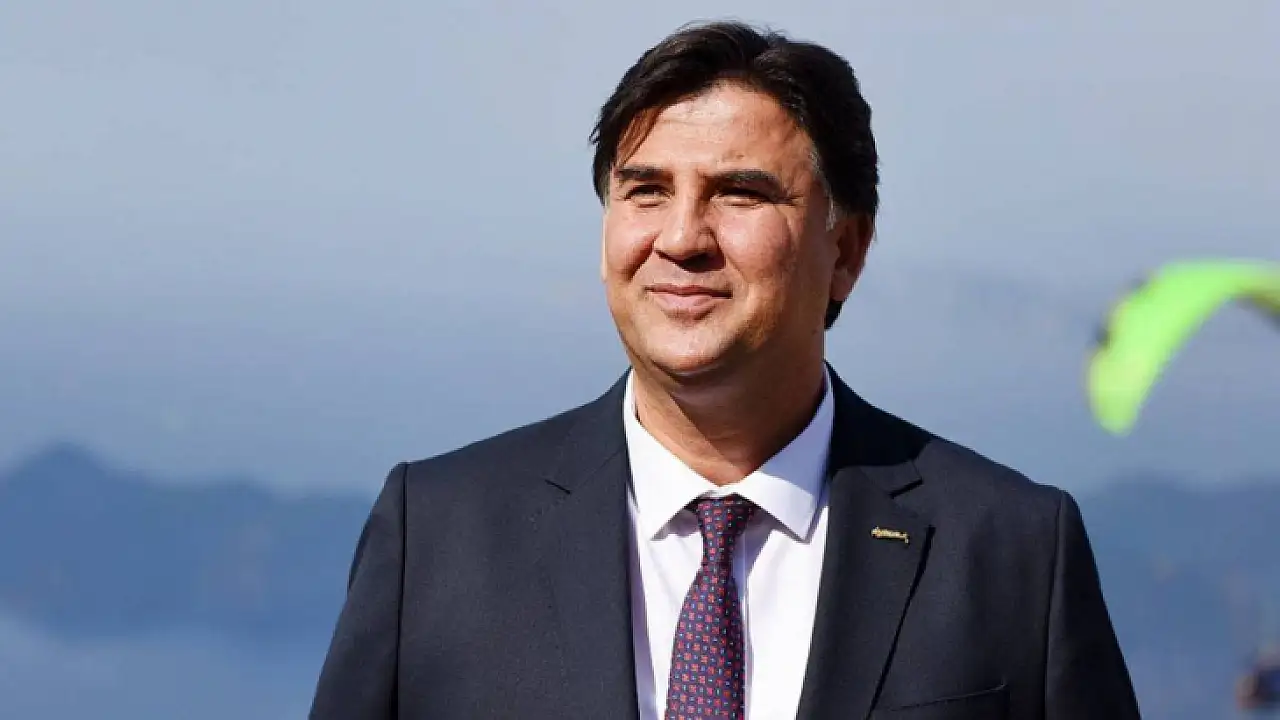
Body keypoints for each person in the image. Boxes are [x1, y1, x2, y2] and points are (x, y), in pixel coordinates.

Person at [309, 20, 1141, 720]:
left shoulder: (1011, 549)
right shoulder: (439, 535)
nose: (681, 238)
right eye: (645, 191)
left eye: (739, 193)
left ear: (846, 249)